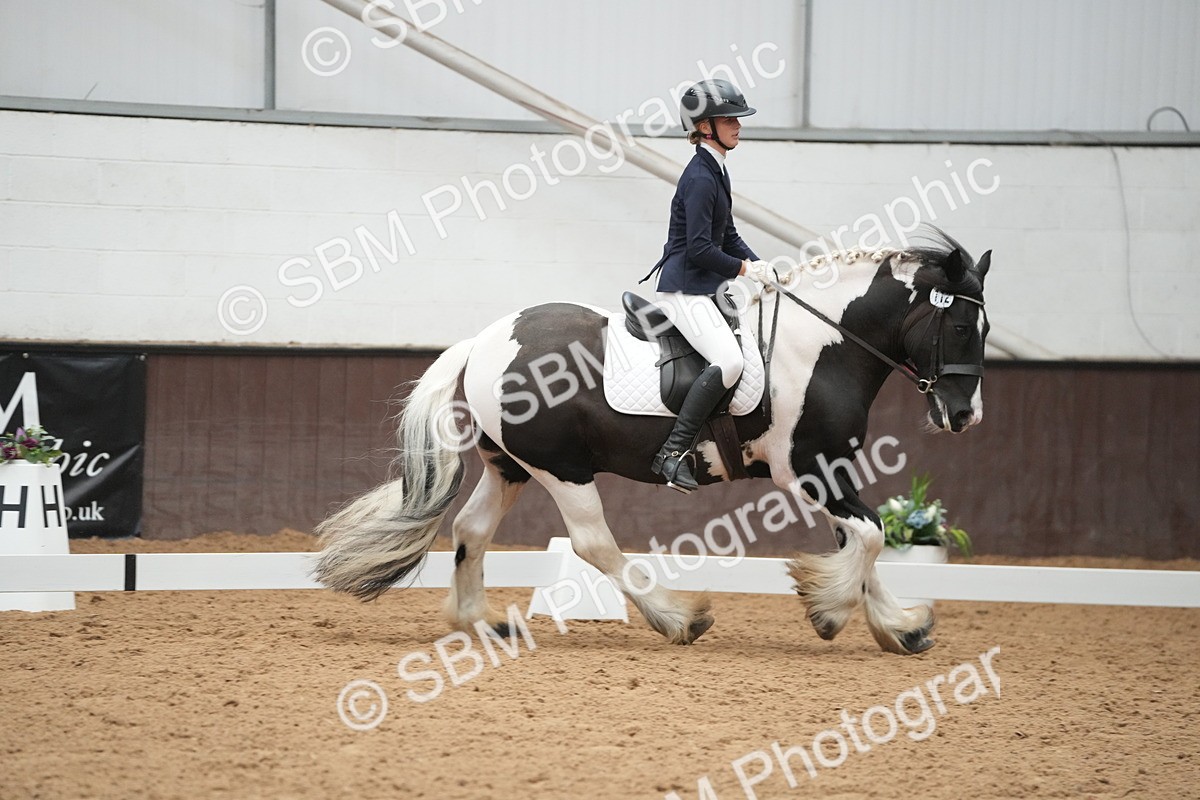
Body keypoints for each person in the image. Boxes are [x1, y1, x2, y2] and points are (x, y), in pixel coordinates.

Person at [640, 79, 772, 493]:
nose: (738, 126)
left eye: (737, 118)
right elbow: (699, 249)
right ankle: (672, 453)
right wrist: (745, 273)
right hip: (685, 289)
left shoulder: (715, 168)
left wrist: (758, 263)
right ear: (705, 125)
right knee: (730, 364)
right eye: (730, 119)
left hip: (705, 287)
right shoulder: (699, 176)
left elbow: (727, 234)